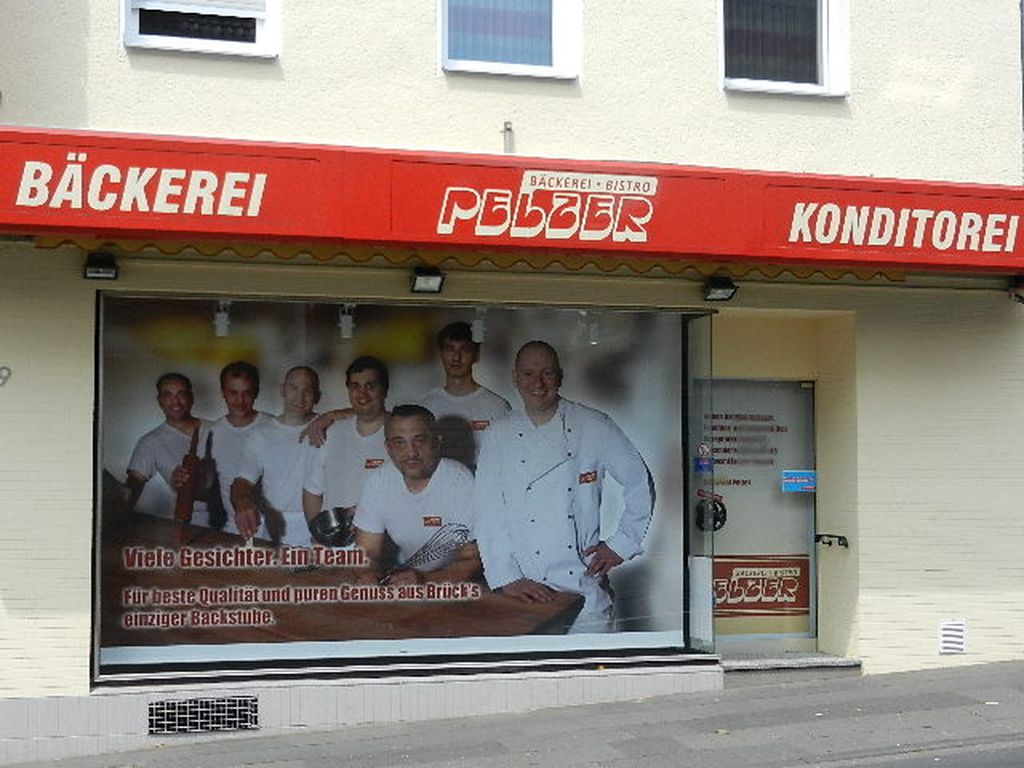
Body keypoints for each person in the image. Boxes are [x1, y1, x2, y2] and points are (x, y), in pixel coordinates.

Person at [473, 341, 655, 633]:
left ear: (560, 377)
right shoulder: (499, 434)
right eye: (529, 374)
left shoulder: (593, 425)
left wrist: (622, 543)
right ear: (515, 378)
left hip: (584, 591)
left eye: (547, 373)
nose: (538, 383)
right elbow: (487, 511)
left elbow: (639, 480)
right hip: (526, 596)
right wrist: (507, 577)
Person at [353, 404, 480, 585]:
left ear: (436, 442)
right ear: (388, 448)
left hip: (458, 587)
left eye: (419, 440)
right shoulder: (378, 480)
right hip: (404, 578)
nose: (411, 452)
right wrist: (366, 575)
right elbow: (366, 552)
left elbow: (470, 560)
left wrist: (425, 580)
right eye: (399, 443)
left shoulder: (461, 480)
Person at [302, 357, 389, 545]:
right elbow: (312, 492)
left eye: (370, 386)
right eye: (355, 386)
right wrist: (319, 533)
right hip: (335, 551)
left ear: (385, 389)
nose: (362, 394)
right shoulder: (331, 433)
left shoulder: (400, 437)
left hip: (383, 551)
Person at [231, 366, 320, 546]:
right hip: (275, 528)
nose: (300, 397)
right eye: (293, 388)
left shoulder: (329, 427)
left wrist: (332, 416)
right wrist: (243, 503)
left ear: (317, 396)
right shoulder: (261, 435)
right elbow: (242, 483)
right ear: (282, 390)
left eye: (307, 391)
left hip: (319, 528)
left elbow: (375, 416)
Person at [122, 372, 212, 526]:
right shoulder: (150, 442)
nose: (175, 402)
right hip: (190, 523)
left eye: (181, 394)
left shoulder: (217, 429)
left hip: (232, 518)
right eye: (168, 395)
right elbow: (133, 484)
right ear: (160, 401)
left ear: (191, 397)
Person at [420, 321, 511, 470]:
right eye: (450, 349)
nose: (456, 357)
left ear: (476, 354)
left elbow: (507, 460)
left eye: (464, 349)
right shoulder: (426, 407)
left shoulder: (497, 406)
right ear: (441, 353)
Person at [207, 361, 272, 535]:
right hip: (233, 529)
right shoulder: (211, 433)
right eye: (233, 393)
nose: (240, 401)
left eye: (247, 393)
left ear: (256, 392)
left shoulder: (274, 426)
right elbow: (203, 487)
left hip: (275, 529)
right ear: (222, 392)